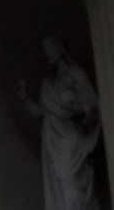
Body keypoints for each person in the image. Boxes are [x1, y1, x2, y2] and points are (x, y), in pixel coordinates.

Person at [13, 37, 104, 210]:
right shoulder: (47, 85)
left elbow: (92, 106)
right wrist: (24, 96)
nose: (47, 51)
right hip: (51, 143)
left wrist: (81, 111)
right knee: (58, 193)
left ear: (60, 48)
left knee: (72, 189)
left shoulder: (75, 74)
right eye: (44, 48)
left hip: (70, 142)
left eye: (50, 46)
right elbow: (40, 112)